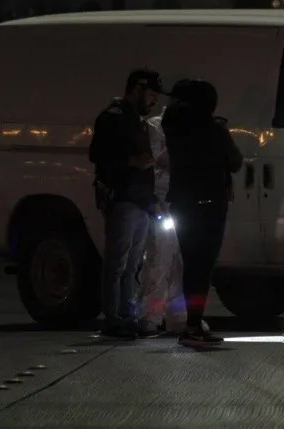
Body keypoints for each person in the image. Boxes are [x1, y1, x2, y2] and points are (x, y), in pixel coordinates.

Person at [162, 79, 244, 347]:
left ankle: (192, 324)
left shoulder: (173, 127)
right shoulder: (214, 129)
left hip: (183, 205)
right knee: (203, 269)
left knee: (190, 267)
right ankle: (194, 325)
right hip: (210, 206)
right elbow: (235, 162)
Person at [88, 69, 163, 339]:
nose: (154, 101)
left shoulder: (135, 120)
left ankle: (127, 316)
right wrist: (130, 162)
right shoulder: (113, 118)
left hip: (140, 201)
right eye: (152, 94)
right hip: (122, 199)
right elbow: (97, 155)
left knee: (132, 265)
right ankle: (113, 318)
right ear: (138, 89)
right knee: (117, 263)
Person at [137, 80, 193, 338]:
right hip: (162, 199)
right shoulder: (155, 127)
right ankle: (150, 317)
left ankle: (176, 318)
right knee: (159, 258)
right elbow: (159, 162)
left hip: (181, 201)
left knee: (179, 262)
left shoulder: (187, 128)